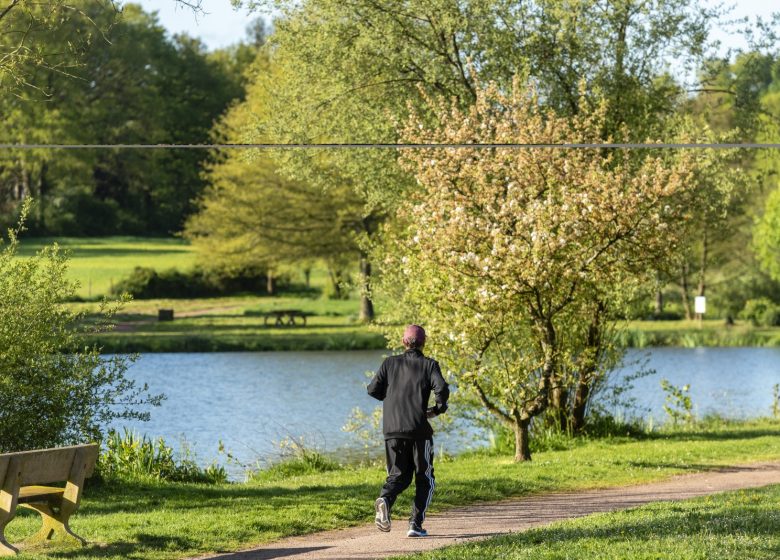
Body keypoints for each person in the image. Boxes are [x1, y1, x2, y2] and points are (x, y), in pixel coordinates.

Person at [367, 324, 450, 538]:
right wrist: (437, 409)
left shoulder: (389, 363)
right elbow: (441, 388)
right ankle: (415, 523)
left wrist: (393, 394)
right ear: (424, 342)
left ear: (404, 342)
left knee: (398, 476)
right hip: (418, 430)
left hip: (392, 430)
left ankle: (385, 499)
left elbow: (372, 390)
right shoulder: (429, 365)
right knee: (425, 477)